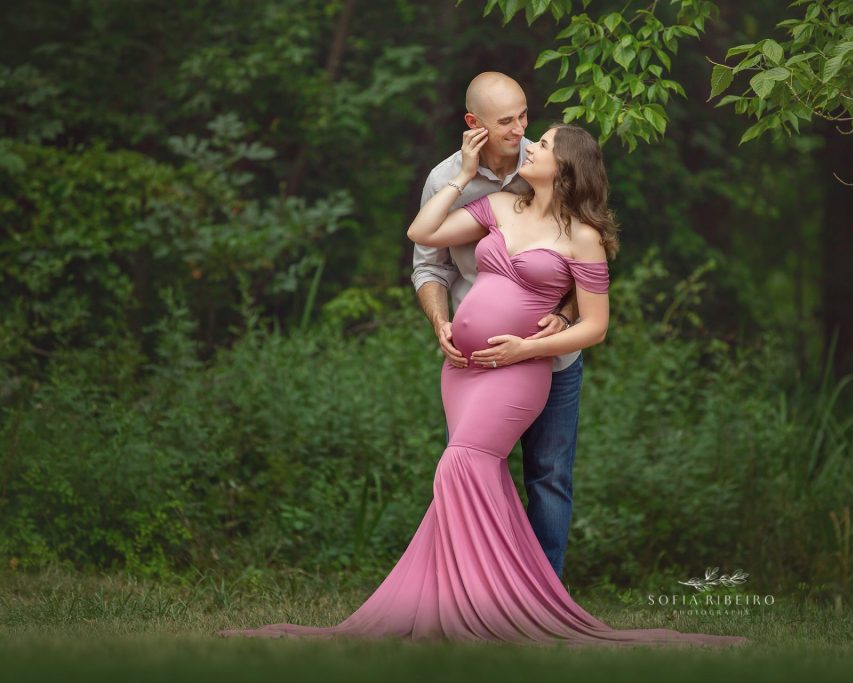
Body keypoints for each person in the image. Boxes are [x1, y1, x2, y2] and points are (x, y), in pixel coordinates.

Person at [219, 116, 749, 648]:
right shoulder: (499, 206)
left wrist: (529, 347)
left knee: (461, 464)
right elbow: (421, 234)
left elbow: (596, 326)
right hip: (463, 371)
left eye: (542, 143)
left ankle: (499, 604)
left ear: (566, 167)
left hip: (520, 370)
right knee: (474, 476)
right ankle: (470, 600)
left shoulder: (582, 236)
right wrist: (462, 174)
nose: (531, 144)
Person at [412, 72, 581, 580]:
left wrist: (567, 312)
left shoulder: (550, 164)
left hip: (551, 357)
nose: (521, 129)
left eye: (524, 115)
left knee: (549, 474)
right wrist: (441, 322)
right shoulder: (447, 180)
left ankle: (542, 595)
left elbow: (587, 258)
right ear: (474, 124)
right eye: (506, 121)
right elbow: (428, 263)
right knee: (470, 470)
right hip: (473, 362)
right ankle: (471, 592)